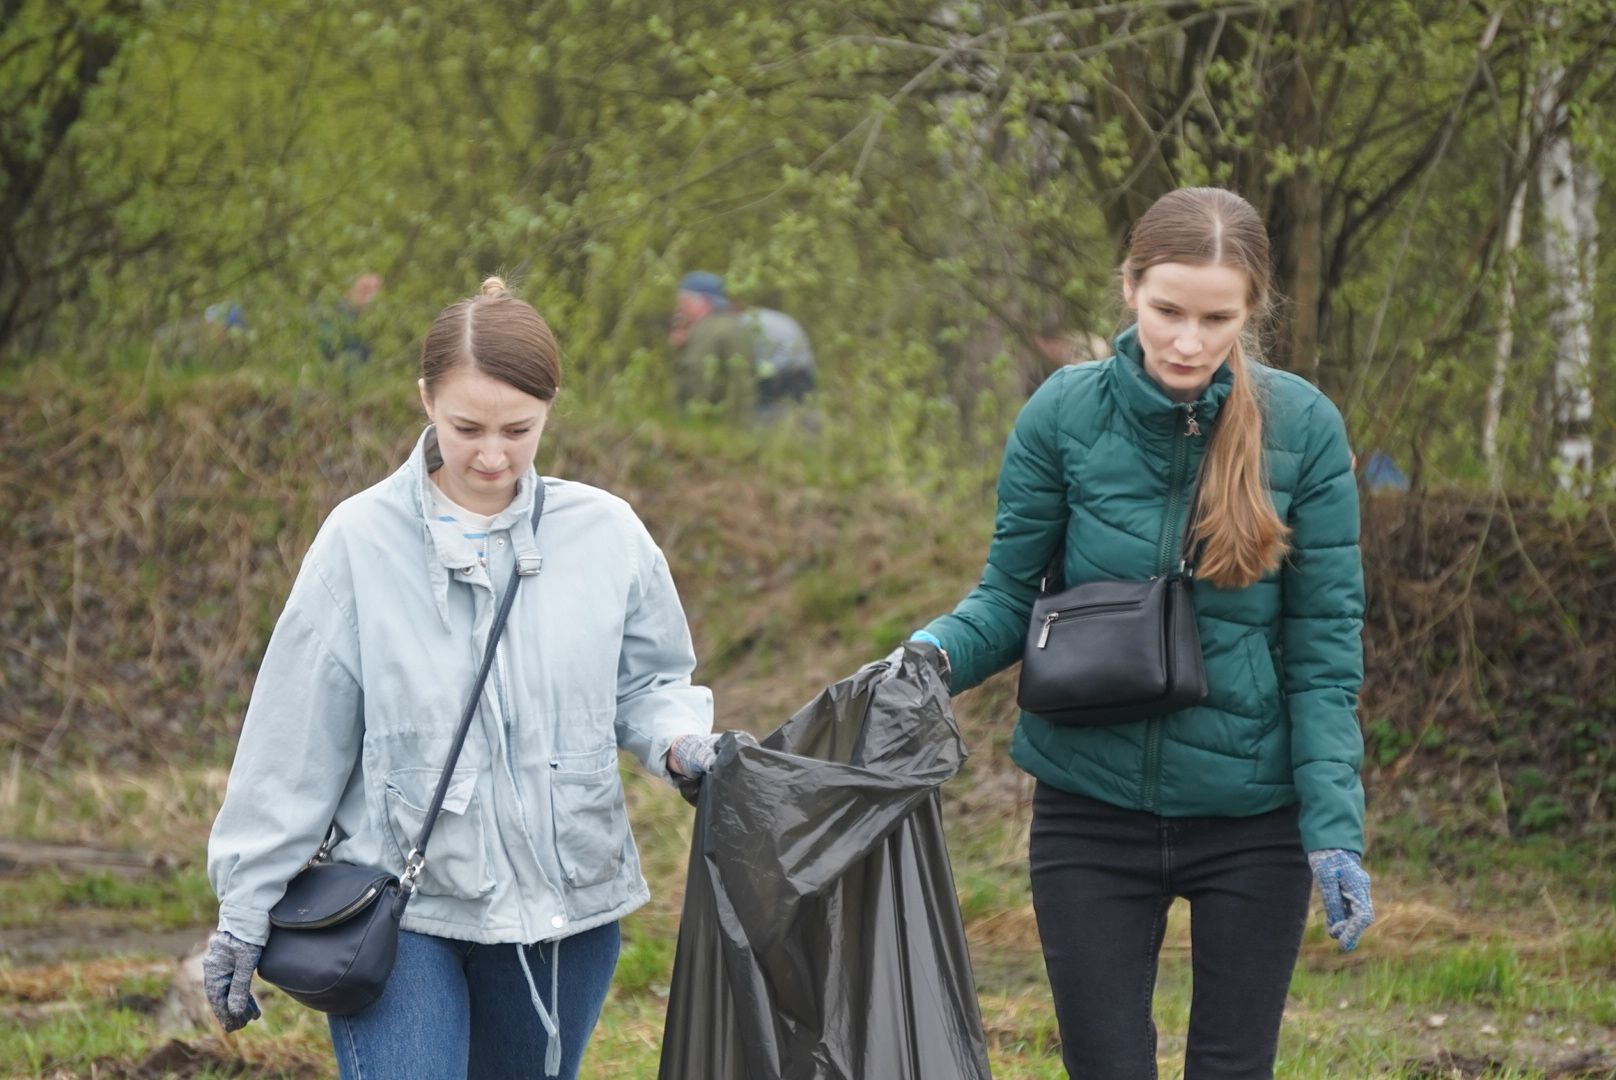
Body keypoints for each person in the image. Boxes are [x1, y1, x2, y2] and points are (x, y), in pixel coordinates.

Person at [203, 277, 724, 1079]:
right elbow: (293, 740)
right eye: (466, 427)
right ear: (425, 401)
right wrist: (243, 909)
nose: (491, 455)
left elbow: (650, 683)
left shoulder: (607, 534)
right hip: (403, 915)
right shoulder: (358, 543)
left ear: (552, 407)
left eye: (519, 429)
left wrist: (681, 744)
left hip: (563, 916)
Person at [908, 187, 1374, 1079]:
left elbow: (1323, 656)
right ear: (1128, 289)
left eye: (1216, 317)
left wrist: (1332, 830)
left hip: (1253, 817)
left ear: (1252, 309)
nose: (1189, 342)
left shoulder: (1304, 430)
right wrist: (930, 655)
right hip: (1092, 809)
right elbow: (1009, 597)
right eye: (1168, 311)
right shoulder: (1063, 413)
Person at [668, 271, 815, 422]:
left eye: (683, 304)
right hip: (800, 372)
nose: (680, 311)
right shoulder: (743, 319)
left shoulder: (719, 327)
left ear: (702, 303)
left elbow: (703, 376)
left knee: (766, 421)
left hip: (780, 376)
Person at [319, 271, 383, 363]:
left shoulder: (372, 326)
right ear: (349, 288)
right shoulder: (329, 312)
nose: (368, 294)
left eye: (375, 289)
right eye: (365, 287)